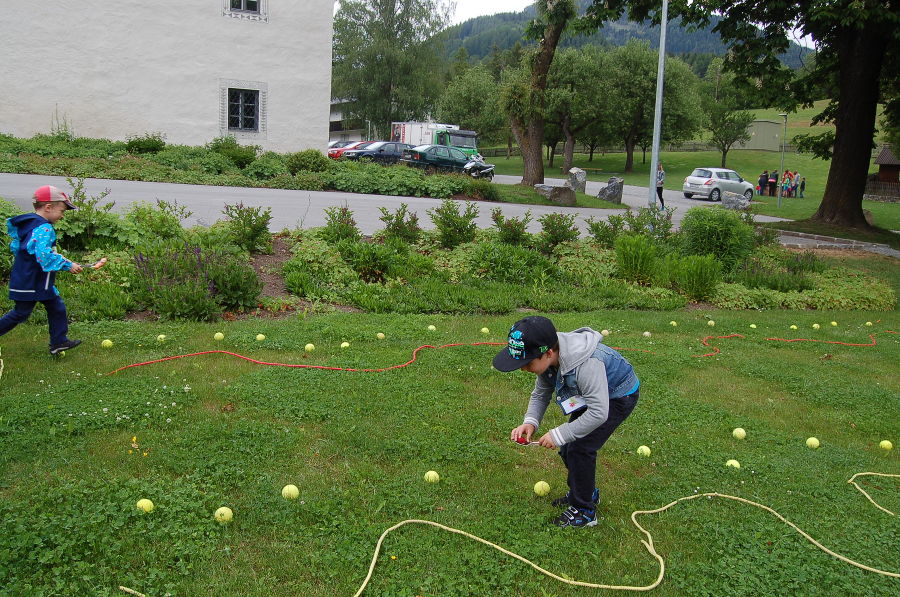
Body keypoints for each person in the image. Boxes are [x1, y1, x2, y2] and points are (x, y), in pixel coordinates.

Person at [496, 316, 640, 529]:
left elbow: (599, 412)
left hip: (616, 396)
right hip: (590, 394)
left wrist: (559, 434)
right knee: (569, 449)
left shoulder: (587, 364)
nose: (523, 369)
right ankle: (585, 492)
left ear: (548, 353)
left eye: (527, 363)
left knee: (580, 449)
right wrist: (531, 422)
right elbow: (541, 393)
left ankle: (585, 511)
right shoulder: (550, 359)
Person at [0, 185, 104, 355]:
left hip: (35, 280)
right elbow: (44, 256)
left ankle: (59, 341)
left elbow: (28, 250)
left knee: (56, 307)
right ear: (48, 207)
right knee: (20, 314)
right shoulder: (44, 228)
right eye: (62, 210)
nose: (62, 215)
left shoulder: (30, 224)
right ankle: (58, 341)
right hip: (31, 281)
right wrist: (67, 265)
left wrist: (65, 261)